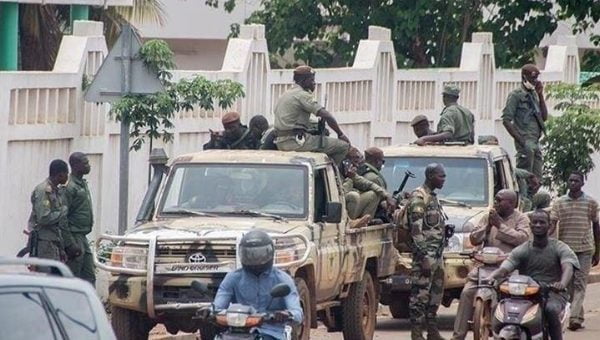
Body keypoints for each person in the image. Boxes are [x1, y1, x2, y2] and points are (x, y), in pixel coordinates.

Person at [487, 210, 579, 340]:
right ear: (530, 226)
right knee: (500, 307)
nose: (538, 225)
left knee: (551, 310)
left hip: (553, 292)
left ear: (550, 226)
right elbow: (505, 268)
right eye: (535, 222)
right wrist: (491, 277)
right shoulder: (523, 249)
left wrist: (562, 284)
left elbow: (568, 267)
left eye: (542, 222)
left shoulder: (560, 247)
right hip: (526, 292)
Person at [451, 190, 530, 340]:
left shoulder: (521, 219)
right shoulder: (489, 216)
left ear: (511, 203)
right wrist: (487, 227)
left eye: (499, 200)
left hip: (507, 268)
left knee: (506, 298)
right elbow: (474, 239)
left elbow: (522, 239)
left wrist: (500, 225)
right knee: (467, 292)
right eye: (496, 199)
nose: (496, 202)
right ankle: (458, 336)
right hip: (485, 266)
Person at [213, 230, 303, 339]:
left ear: (270, 253)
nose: (254, 259)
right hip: (237, 332)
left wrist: (286, 314)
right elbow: (217, 307)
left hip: (272, 332)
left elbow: (297, 313)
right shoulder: (232, 278)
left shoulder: (282, 279)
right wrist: (208, 311)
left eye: (259, 255)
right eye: (249, 254)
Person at [550, 171, 600, 331]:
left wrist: (598, 251)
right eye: (570, 180)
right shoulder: (559, 203)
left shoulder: (591, 203)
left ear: (582, 183)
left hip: (585, 249)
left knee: (580, 284)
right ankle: (579, 315)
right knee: (569, 286)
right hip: (565, 250)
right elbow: (552, 225)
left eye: (576, 181)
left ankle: (573, 318)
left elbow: (596, 226)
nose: (573, 183)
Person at [273, 65, 350, 164]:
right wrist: (341, 134)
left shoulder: (286, 94)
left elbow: (295, 120)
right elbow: (327, 116)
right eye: (312, 80)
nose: (314, 83)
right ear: (304, 80)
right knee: (343, 146)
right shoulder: (303, 95)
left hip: (281, 141)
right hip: (296, 143)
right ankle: (331, 177)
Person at [407, 163, 447, 340]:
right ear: (431, 176)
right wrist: (423, 257)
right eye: (441, 176)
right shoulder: (419, 197)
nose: (444, 179)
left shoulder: (433, 197)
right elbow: (415, 231)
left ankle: (432, 331)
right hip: (425, 256)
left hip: (437, 254)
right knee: (420, 294)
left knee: (436, 294)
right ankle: (416, 334)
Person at [502, 64, 548, 179]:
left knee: (537, 178)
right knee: (524, 177)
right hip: (525, 141)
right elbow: (506, 120)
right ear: (524, 77)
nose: (535, 81)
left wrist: (540, 95)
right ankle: (523, 196)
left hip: (535, 141)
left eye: (536, 78)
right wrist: (521, 141)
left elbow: (544, 117)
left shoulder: (534, 94)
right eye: (533, 78)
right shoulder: (516, 95)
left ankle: (531, 196)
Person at [28, 159, 69, 264]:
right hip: (44, 242)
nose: (67, 177)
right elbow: (44, 218)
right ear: (60, 175)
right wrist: (63, 211)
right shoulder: (44, 190)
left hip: (54, 240)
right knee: (46, 276)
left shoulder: (55, 190)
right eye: (66, 174)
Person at [63, 152, 96, 285]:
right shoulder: (70, 187)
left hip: (82, 236)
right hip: (73, 236)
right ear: (76, 165)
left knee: (89, 275)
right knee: (73, 277)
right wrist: (69, 243)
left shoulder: (82, 183)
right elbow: (62, 217)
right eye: (85, 163)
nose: (88, 166)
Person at [342, 148, 395, 222]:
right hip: (342, 208)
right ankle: (356, 222)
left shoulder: (354, 174)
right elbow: (342, 193)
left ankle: (363, 221)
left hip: (348, 207)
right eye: (355, 160)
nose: (358, 163)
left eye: (360, 159)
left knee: (372, 194)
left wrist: (387, 196)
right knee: (355, 195)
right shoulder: (372, 177)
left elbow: (368, 184)